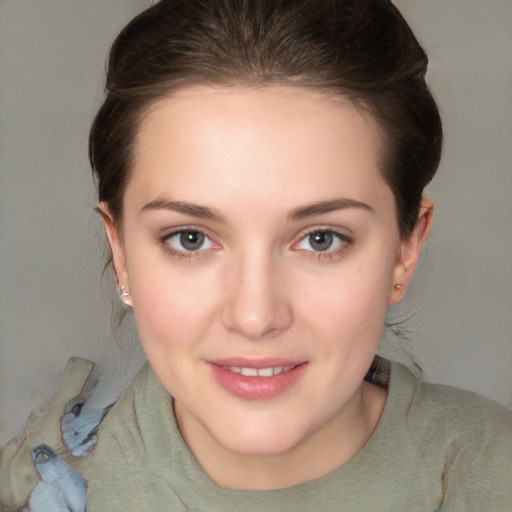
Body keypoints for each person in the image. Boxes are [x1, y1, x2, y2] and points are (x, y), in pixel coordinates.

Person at [1, 0, 510, 510]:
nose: (255, 316)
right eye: (190, 238)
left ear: (405, 248)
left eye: (321, 239)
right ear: (122, 251)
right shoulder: (38, 490)